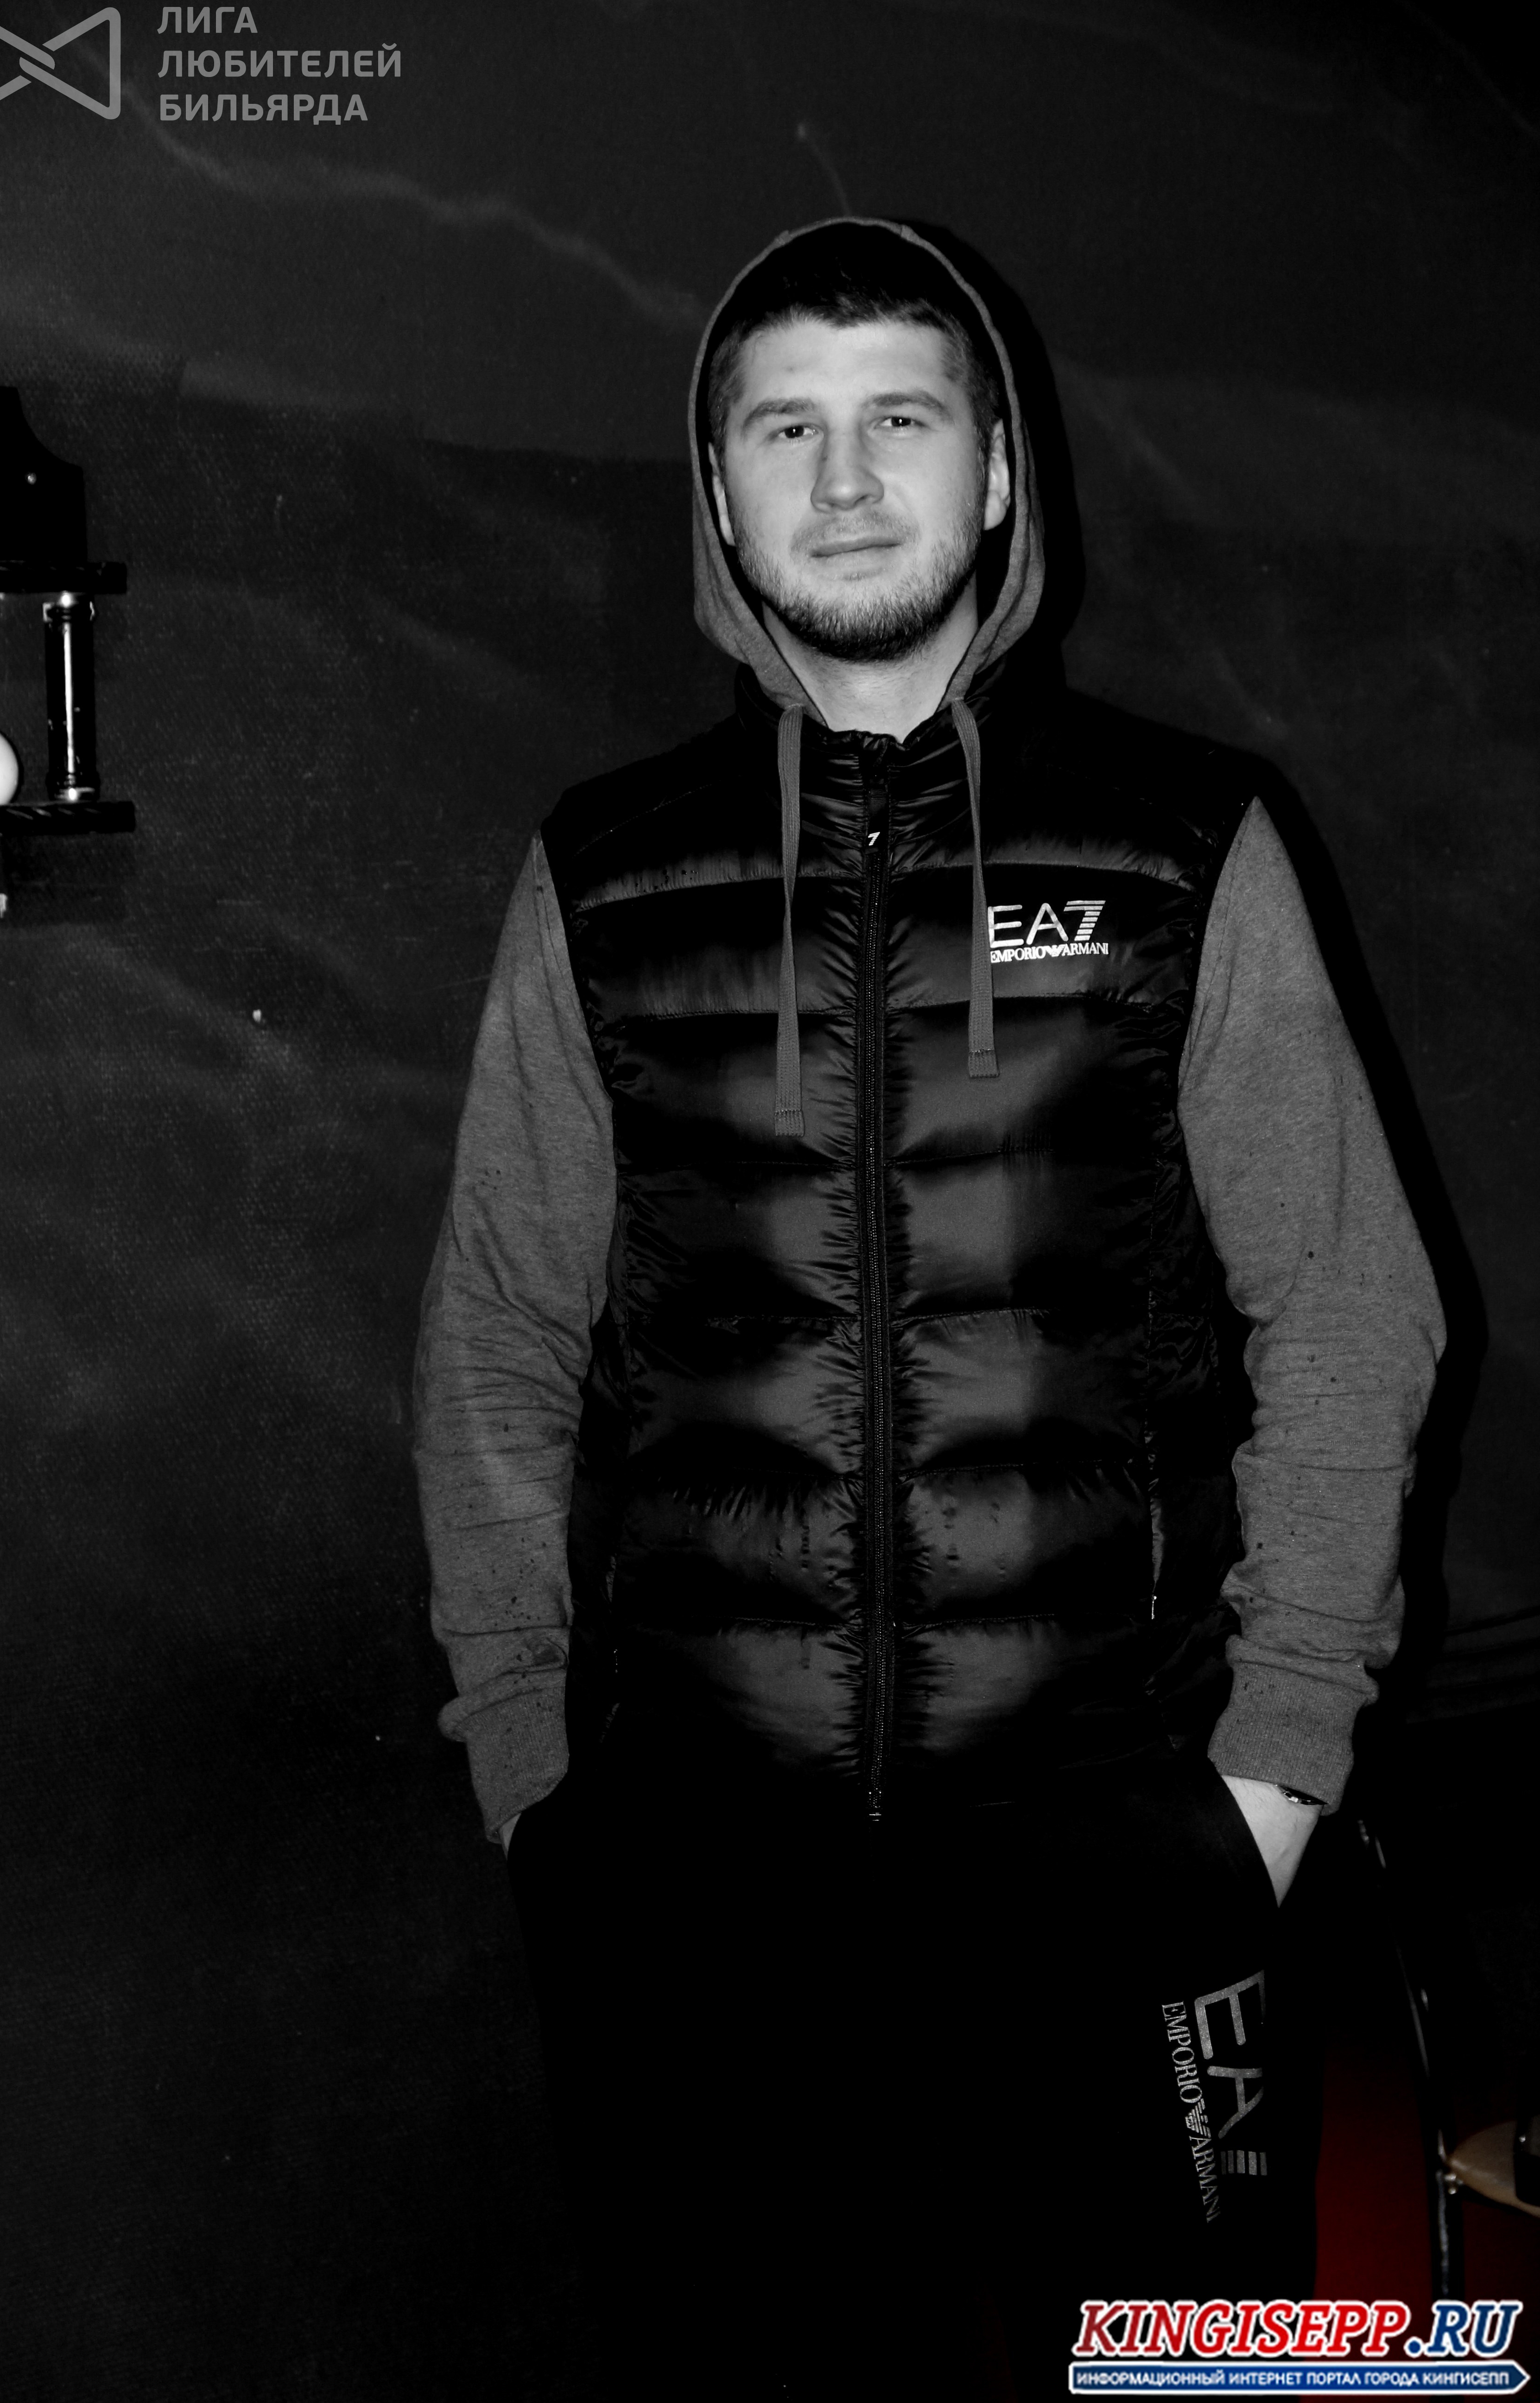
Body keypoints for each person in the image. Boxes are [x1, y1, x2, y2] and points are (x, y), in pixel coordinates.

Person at [413, 219, 1444, 2400]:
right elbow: (499, 1328)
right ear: (719, 494)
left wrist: (1271, 1770)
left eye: (903, 418)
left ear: (996, 477)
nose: (850, 478)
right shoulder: (603, 872)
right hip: (702, 1888)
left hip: (1123, 1843)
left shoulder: (1183, 845)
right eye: (784, 429)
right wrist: (532, 1768)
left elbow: (1356, 1310)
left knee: (1197, 2384)